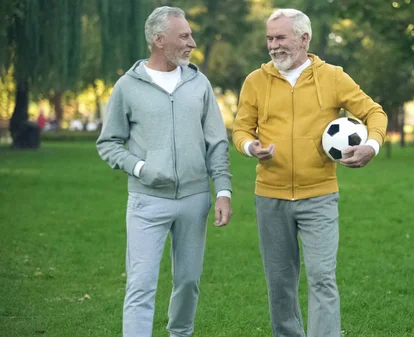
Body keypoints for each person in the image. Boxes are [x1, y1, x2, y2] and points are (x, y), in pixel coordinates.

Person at [232, 8, 387, 337]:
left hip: (319, 196)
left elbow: (374, 112)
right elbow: (240, 131)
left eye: (281, 38)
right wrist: (251, 148)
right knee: (280, 283)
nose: (274, 46)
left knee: (322, 277)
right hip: (270, 197)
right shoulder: (255, 81)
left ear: (304, 39)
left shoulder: (332, 76)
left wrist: (371, 146)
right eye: (269, 39)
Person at [96, 6, 232, 337]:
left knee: (187, 281)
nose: (193, 42)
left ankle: (180, 334)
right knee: (141, 285)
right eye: (184, 36)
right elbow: (108, 143)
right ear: (159, 40)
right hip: (146, 202)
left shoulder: (199, 84)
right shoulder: (127, 86)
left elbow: (217, 142)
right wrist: (142, 168)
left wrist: (223, 190)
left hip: (195, 199)